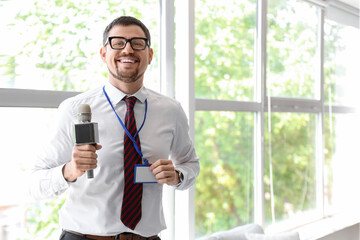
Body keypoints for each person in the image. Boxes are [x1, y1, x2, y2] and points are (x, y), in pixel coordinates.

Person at [28, 16, 199, 240]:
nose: (128, 49)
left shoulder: (171, 110)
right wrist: (69, 170)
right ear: (103, 53)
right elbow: (33, 184)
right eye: (117, 42)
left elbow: (190, 165)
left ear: (150, 55)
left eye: (138, 43)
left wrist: (177, 175)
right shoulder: (73, 109)